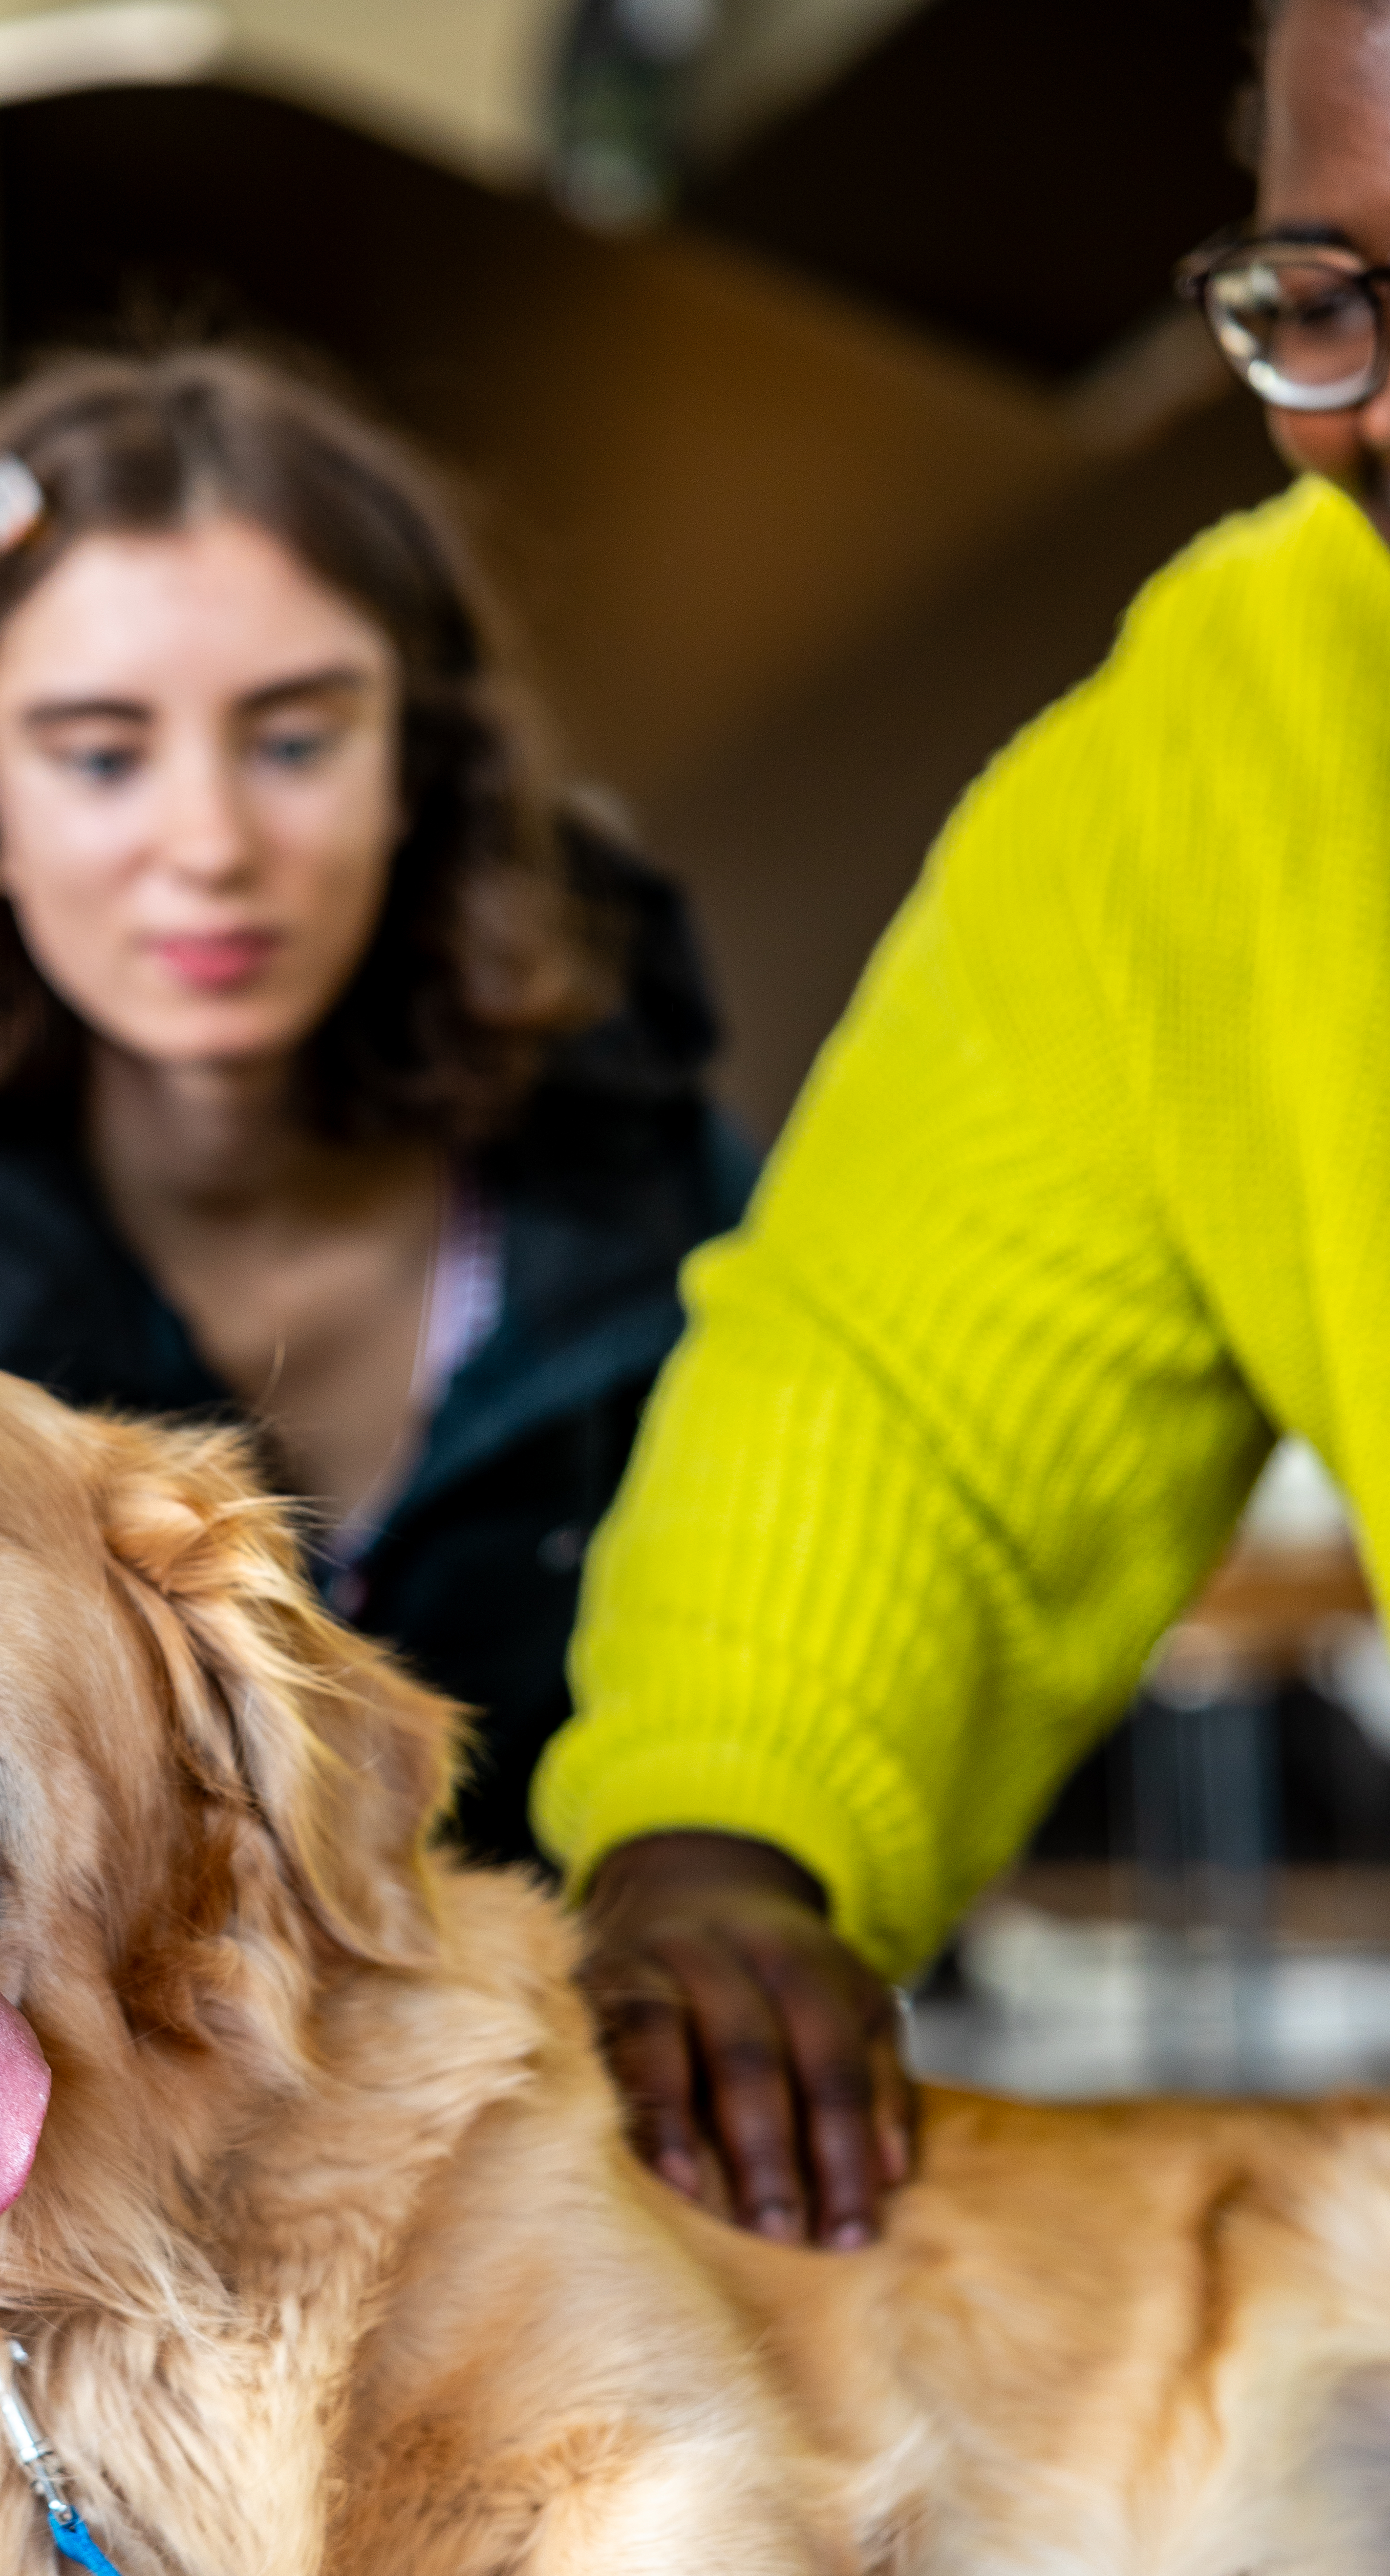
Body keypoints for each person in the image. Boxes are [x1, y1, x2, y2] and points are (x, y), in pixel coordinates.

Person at [542, 0, 1390, 2245]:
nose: (1380, 402)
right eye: (1324, 303)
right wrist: (726, 1840)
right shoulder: (1211, 747)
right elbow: (902, 1391)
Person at [0, 348, 748, 1869]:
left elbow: (778, 1628)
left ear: (416, 776)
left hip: (584, 2040)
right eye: (101, 755)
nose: (211, 843)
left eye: (297, 741)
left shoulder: (647, 1164)